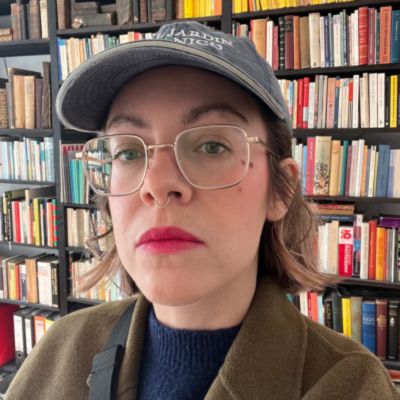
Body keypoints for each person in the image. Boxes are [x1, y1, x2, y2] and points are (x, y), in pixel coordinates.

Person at [6, 21, 399, 400]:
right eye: (127, 152)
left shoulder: (349, 385)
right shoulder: (61, 350)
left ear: (280, 191)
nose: (157, 184)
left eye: (212, 146)